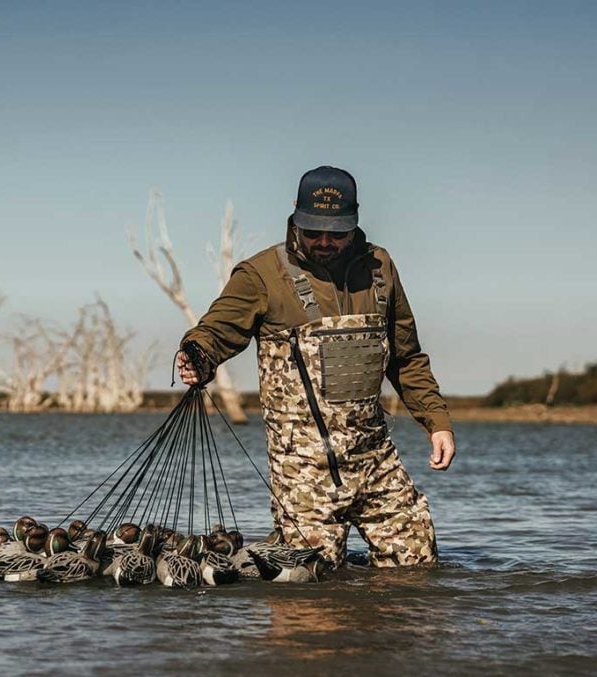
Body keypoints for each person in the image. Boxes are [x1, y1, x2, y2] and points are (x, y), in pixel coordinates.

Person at [177, 166, 455, 569]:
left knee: (417, 566)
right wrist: (197, 355)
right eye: (313, 232)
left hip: (375, 457)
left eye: (336, 233)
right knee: (311, 590)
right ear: (295, 217)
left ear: (355, 221)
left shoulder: (380, 268)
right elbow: (217, 329)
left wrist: (437, 421)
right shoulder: (261, 275)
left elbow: (407, 357)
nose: (324, 242)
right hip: (302, 471)